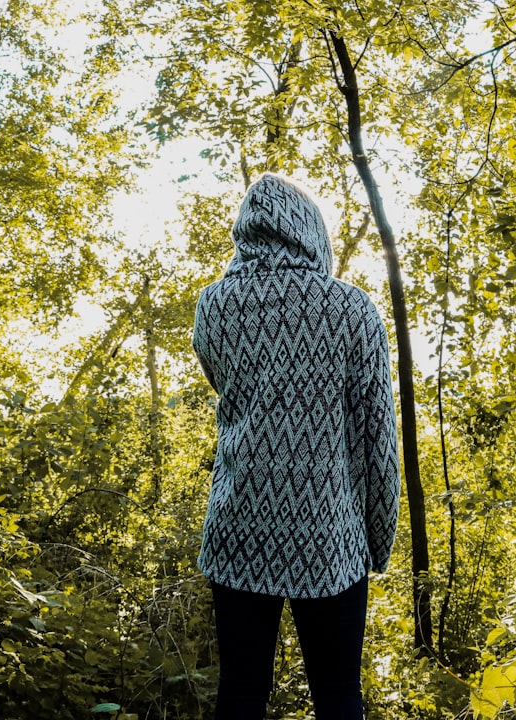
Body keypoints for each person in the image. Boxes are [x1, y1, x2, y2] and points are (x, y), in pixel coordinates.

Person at [192, 173, 400, 720]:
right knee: (337, 696)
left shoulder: (212, 306)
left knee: (239, 692)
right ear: (311, 232)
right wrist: (377, 542)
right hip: (329, 535)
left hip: (239, 523)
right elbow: (378, 438)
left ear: (246, 231)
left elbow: (229, 391)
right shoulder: (353, 310)